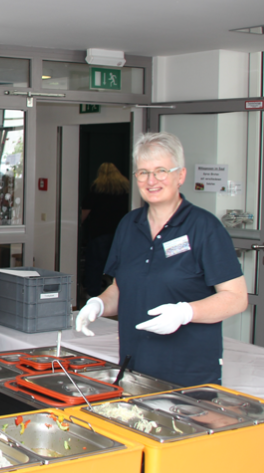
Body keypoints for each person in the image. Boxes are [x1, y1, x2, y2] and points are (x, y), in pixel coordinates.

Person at [76, 132, 247, 387]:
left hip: (188, 374)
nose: (151, 180)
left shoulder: (204, 227)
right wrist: (98, 305)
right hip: (134, 367)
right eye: (143, 172)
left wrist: (186, 312)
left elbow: (236, 298)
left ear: (181, 175)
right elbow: (122, 288)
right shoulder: (129, 225)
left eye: (161, 171)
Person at [80, 162, 131, 298]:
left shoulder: (97, 190)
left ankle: (93, 294)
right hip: (121, 233)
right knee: (121, 265)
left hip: (99, 232)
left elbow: (83, 214)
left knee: (95, 265)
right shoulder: (126, 191)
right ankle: (120, 294)